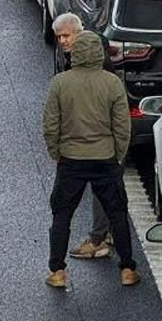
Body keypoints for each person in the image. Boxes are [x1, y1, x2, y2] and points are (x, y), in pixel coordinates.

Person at [43, 31, 140, 290]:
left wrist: (56, 151)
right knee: (117, 212)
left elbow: (51, 125)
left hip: (71, 159)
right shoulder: (112, 83)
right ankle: (128, 268)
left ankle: (58, 270)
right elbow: (122, 126)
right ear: (99, 52)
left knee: (62, 214)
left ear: (75, 53)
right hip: (105, 158)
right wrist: (118, 155)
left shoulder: (60, 83)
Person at [52, 13, 113, 261]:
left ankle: (98, 239)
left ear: (79, 33)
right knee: (105, 189)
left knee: (90, 191)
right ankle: (105, 233)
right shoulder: (91, 54)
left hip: (92, 140)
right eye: (59, 38)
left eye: (66, 36)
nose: (63, 42)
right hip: (102, 139)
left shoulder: (92, 63)